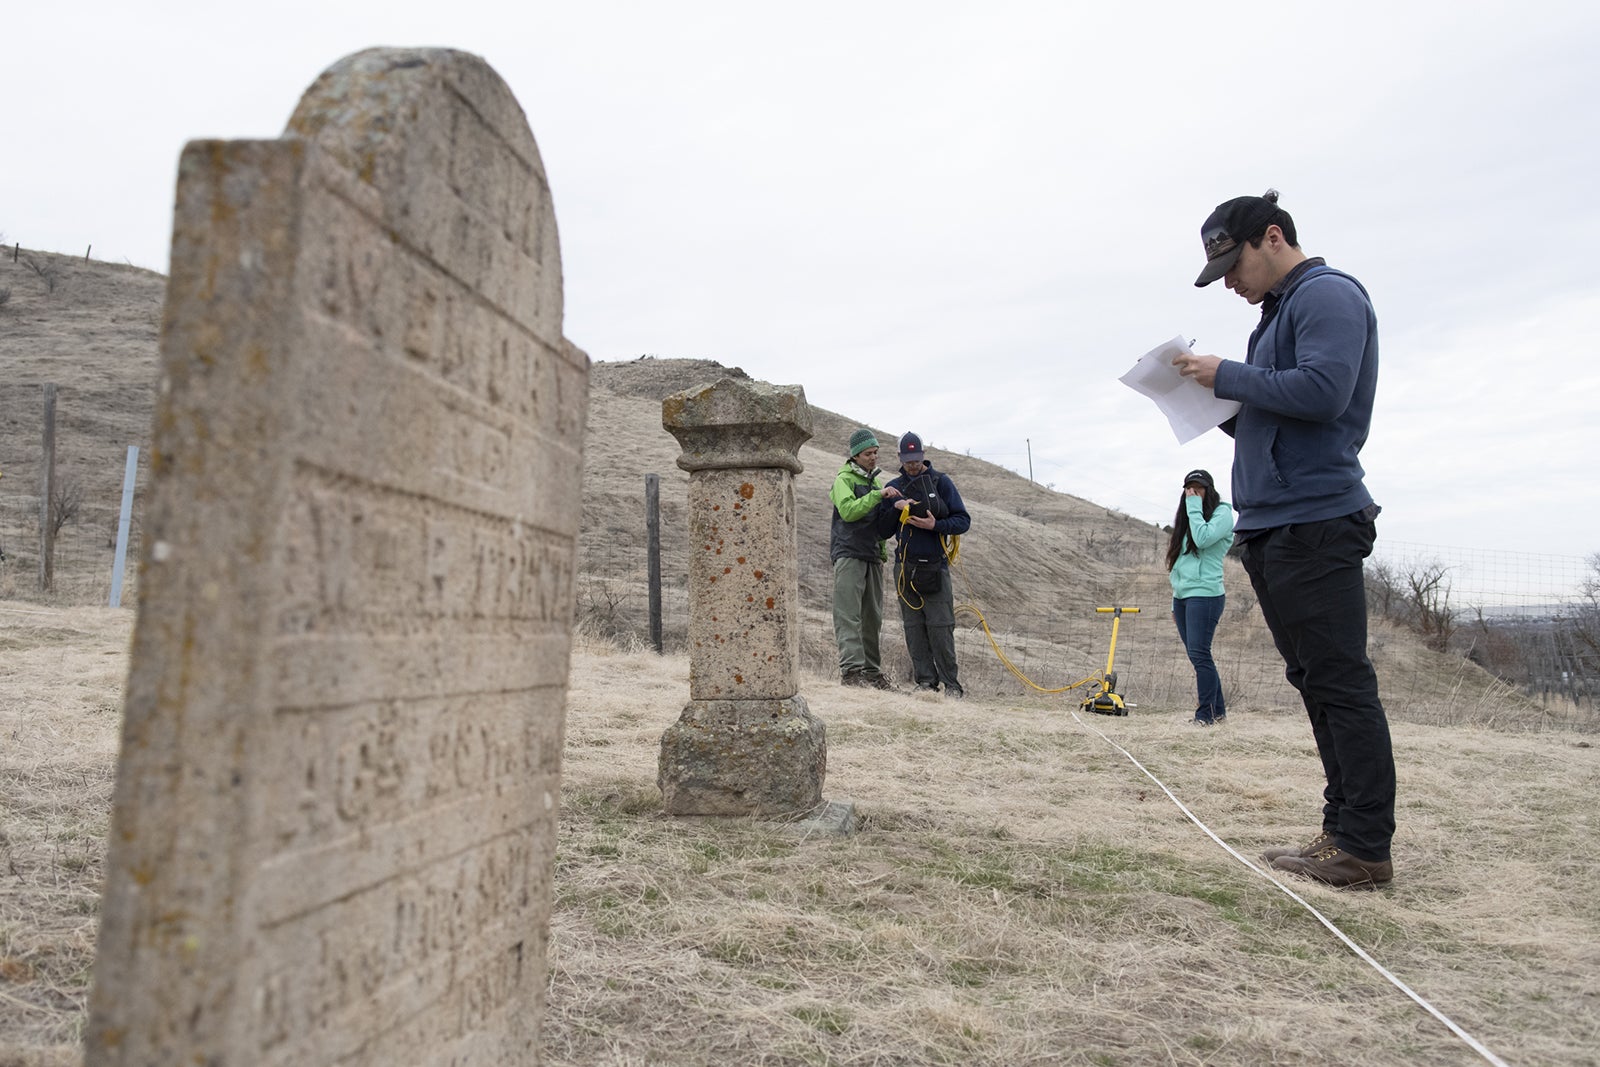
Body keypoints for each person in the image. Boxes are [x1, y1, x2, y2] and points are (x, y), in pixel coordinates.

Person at [1173, 189, 1396, 890]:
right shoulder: (1274, 317)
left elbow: (1326, 390)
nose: (1231, 284)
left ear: (1273, 238)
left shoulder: (1327, 296)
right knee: (1314, 680)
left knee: (1340, 680)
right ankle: (1341, 831)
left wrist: (1229, 377)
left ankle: (1364, 843)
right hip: (1276, 524)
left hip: (1316, 519)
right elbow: (1278, 415)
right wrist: (1211, 403)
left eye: (1234, 266)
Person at [876, 432, 971, 697]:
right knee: (913, 627)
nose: (913, 465)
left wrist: (936, 525)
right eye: (907, 460)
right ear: (899, 458)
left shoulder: (942, 483)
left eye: (916, 459)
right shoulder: (893, 487)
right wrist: (893, 506)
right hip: (905, 568)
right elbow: (883, 532)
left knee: (941, 627)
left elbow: (963, 520)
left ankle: (952, 686)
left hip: (935, 566)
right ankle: (926, 683)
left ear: (923, 455)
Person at [829, 429, 900, 690]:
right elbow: (848, 511)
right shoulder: (843, 480)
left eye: (876, 453)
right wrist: (876, 496)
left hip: (871, 556)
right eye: (868, 453)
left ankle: (872, 672)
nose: (873, 457)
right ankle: (851, 672)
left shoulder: (875, 484)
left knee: (873, 617)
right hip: (848, 553)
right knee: (848, 614)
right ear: (856, 455)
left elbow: (878, 524)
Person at [1166, 469, 1234, 726]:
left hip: (1206, 595)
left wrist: (1193, 506)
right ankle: (1218, 713)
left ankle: (1205, 716)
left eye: (1199, 488)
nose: (1193, 493)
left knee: (1200, 654)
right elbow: (1179, 560)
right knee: (1198, 656)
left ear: (1209, 490)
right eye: (1188, 489)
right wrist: (1175, 599)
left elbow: (1203, 539)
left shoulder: (1223, 514)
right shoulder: (1188, 521)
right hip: (1183, 598)